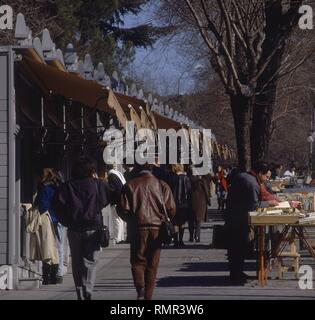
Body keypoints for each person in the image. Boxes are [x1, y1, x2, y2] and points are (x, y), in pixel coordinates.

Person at [118, 163, 176, 300]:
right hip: (157, 229)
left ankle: (140, 288)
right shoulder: (161, 185)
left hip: (138, 228)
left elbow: (122, 209)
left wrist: (131, 220)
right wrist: (163, 218)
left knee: (138, 261)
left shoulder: (130, 185)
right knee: (152, 264)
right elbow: (171, 208)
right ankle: (148, 296)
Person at [56, 157, 110, 300]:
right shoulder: (98, 184)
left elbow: (58, 207)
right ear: (92, 171)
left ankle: (79, 290)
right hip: (93, 227)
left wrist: (67, 221)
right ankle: (88, 288)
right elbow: (105, 200)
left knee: (77, 261)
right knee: (91, 260)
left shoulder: (67, 186)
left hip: (74, 228)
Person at [225, 162, 276, 284]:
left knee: (235, 247)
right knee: (240, 246)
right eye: (266, 177)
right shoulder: (252, 183)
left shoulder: (244, 176)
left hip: (232, 215)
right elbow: (253, 206)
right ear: (259, 173)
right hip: (240, 218)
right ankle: (236, 275)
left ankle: (236, 272)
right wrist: (269, 203)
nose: (267, 179)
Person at [35, 167, 64, 285]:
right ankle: (58, 274)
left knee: (48, 248)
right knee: (59, 247)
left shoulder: (45, 189)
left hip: (49, 220)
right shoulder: (57, 187)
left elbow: (41, 205)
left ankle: (48, 276)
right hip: (59, 219)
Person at [168, 164, 191, 247]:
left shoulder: (171, 178)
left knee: (175, 222)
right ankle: (181, 240)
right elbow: (189, 191)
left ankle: (176, 241)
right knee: (182, 222)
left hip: (173, 203)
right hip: (184, 204)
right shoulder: (185, 178)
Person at [188, 166, 211, 243]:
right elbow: (206, 192)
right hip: (201, 203)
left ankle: (191, 236)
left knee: (191, 220)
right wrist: (208, 201)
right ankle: (197, 236)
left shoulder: (188, 180)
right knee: (198, 221)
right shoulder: (201, 181)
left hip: (190, 202)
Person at [107, 165, 127, 244]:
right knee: (120, 219)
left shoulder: (111, 176)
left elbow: (113, 189)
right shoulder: (118, 174)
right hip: (121, 200)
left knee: (116, 219)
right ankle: (121, 237)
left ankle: (117, 238)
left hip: (116, 201)